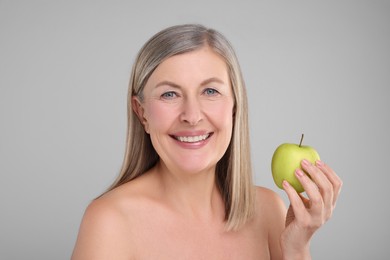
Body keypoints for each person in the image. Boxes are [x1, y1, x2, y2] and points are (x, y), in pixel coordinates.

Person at [71, 24, 342, 259]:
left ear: (235, 107)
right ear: (142, 113)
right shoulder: (110, 221)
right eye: (169, 94)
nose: (192, 116)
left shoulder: (269, 211)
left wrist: (297, 249)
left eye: (210, 91)